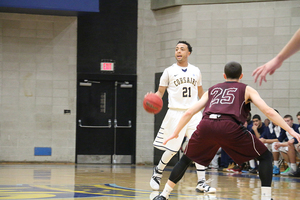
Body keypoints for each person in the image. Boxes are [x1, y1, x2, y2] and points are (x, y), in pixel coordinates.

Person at [153, 61, 300, 200]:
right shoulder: (246, 89)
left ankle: (164, 195)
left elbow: (188, 112)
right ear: (241, 76)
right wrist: (291, 131)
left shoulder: (212, 90)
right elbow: (269, 111)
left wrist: (175, 132)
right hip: (229, 126)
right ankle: (266, 197)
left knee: (186, 159)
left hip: (207, 125)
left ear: (224, 76)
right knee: (265, 157)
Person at [149, 41, 215, 193]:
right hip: (175, 112)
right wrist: (152, 100)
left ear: (188, 53)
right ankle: (158, 172)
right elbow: (160, 93)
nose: (178, 51)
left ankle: (201, 182)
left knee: (199, 146)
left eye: (182, 49)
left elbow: (200, 93)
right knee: (172, 149)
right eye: (177, 49)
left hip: (193, 112)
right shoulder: (168, 71)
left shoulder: (196, 71)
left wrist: (208, 108)